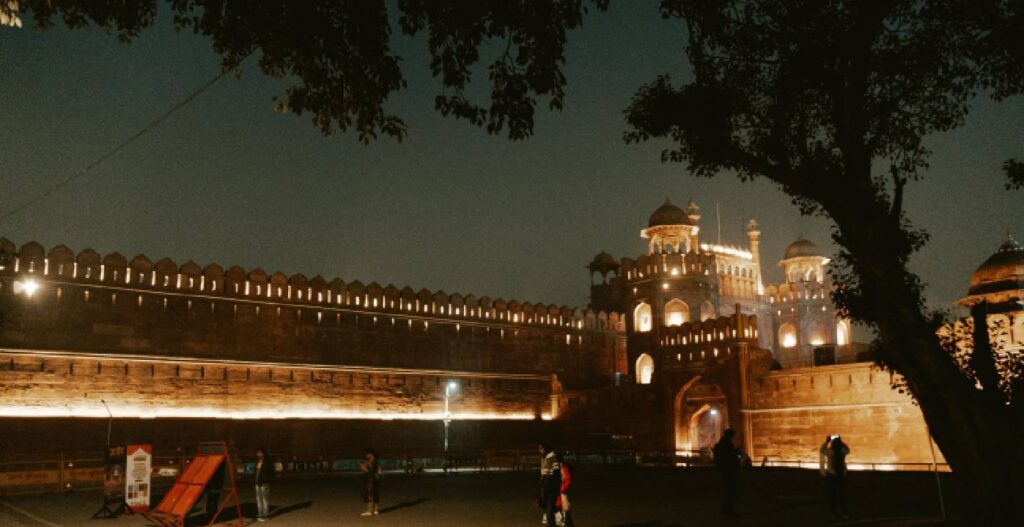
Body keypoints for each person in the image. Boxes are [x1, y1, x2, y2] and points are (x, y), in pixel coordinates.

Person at [712, 428, 743, 516]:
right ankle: (727, 511)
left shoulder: (720, 445)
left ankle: (726, 510)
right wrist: (737, 453)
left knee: (728, 492)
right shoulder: (726, 445)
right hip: (728, 470)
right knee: (730, 492)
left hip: (724, 470)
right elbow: (729, 457)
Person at [825, 436, 850, 519]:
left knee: (833, 494)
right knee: (843, 495)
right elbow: (848, 449)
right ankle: (844, 513)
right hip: (841, 475)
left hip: (832, 475)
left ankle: (833, 513)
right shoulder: (842, 451)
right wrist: (842, 442)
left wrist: (827, 442)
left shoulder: (830, 452)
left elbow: (822, 451)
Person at [537, 443, 561, 526]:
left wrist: (556, 489)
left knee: (550, 513)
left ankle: (558, 516)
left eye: (541, 448)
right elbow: (543, 474)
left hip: (551, 489)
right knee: (545, 508)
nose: (540, 450)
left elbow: (557, 475)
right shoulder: (544, 458)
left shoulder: (553, 459)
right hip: (545, 488)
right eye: (539, 448)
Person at [254, 447, 275, 522]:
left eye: (258, 452)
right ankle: (260, 515)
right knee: (258, 499)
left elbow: (272, 472)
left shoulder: (268, 461)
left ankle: (265, 515)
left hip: (264, 483)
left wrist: (267, 480)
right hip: (257, 483)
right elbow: (256, 472)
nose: (257, 454)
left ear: (262, 453)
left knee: (265, 499)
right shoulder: (257, 461)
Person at [360, 448, 381, 516]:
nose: (366, 456)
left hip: (370, 480)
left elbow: (370, 471)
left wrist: (363, 467)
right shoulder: (376, 461)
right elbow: (378, 471)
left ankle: (369, 511)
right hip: (375, 479)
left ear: (370, 454)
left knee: (369, 494)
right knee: (375, 494)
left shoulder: (371, 461)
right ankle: (376, 510)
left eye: (367, 454)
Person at [555, 453, 574, 527]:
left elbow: (567, 481)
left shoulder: (564, 468)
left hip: (561, 493)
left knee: (564, 510)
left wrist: (561, 489)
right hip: (557, 493)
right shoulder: (557, 468)